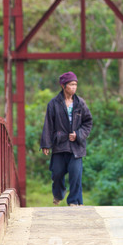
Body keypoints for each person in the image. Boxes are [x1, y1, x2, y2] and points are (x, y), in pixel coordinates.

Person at [40, 72, 93, 206]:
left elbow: (88, 122)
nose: (74, 87)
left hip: (76, 146)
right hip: (60, 144)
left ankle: (74, 201)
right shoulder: (53, 103)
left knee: (75, 175)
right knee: (57, 173)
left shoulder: (80, 103)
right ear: (63, 86)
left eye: (75, 84)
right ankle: (58, 194)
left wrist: (78, 134)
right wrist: (46, 144)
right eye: (71, 85)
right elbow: (48, 124)